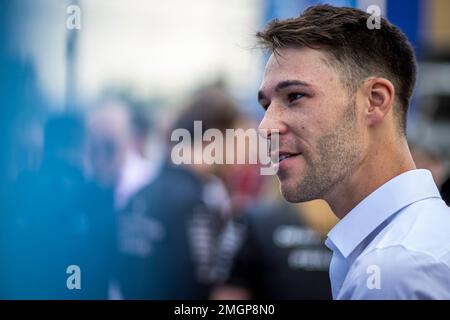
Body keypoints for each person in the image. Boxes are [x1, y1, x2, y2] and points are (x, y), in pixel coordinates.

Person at [255, 4, 450, 299]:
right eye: (266, 105)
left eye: (295, 96)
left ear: (374, 101)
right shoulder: (405, 246)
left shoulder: (397, 269)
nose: (265, 127)